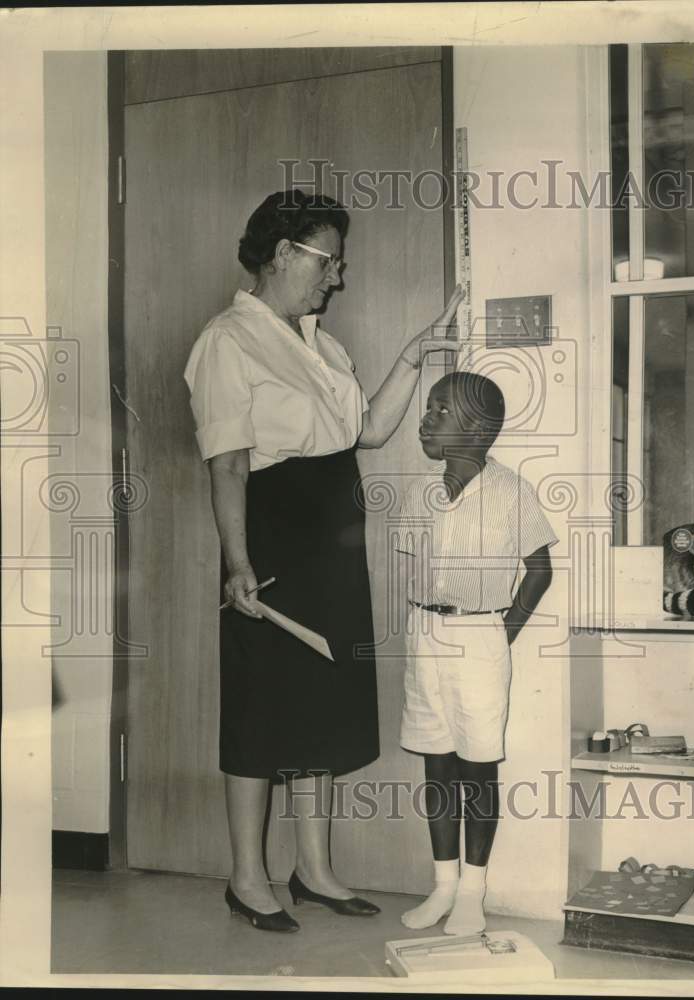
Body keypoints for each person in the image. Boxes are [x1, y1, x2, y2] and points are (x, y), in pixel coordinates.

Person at [184, 189, 463, 933]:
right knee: (260, 708)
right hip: (269, 539)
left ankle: (315, 869)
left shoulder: (319, 341)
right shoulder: (226, 341)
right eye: (327, 259)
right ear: (283, 254)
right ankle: (248, 876)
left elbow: (366, 433)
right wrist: (238, 564)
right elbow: (230, 466)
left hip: (330, 537)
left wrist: (412, 356)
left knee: (320, 705)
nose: (336, 276)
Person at [396, 371, 557, 935]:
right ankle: (441, 888)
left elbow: (540, 572)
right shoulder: (419, 493)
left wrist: (500, 633)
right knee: (436, 763)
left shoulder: (512, 491)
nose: (426, 418)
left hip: (481, 637)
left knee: (477, 768)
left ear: (476, 428)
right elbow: (410, 568)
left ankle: (472, 893)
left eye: (439, 410)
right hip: (425, 637)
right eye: (430, 408)